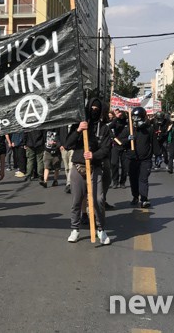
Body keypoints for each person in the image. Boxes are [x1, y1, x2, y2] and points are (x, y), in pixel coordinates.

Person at [64, 98, 112, 245]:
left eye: (97, 108)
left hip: (95, 167)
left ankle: (100, 229)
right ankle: (75, 229)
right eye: (92, 107)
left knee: (98, 199)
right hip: (78, 167)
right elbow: (67, 144)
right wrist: (78, 130)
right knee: (77, 199)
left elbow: (106, 149)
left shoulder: (104, 128)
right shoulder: (79, 125)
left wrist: (94, 155)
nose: (94, 110)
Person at [117, 107, 154, 208]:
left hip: (145, 159)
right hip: (132, 159)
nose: (136, 120)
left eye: (138, 118)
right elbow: (119, 141)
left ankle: (144, 198)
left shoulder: (149, 129)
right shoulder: (129, 129)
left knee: (143, 179)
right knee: (133, 179)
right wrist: (127, 140)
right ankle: (135, 196)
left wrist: (157, 154)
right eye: (134, 117)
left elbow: (153, 142)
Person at [109, 109, 129, 188]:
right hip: (116, 145)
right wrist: (116, 118)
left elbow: (133, 131)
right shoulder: (116, 122)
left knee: (125, 166)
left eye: (122, 114)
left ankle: (122, 182)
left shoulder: (128, 123)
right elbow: (109, 128)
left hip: (125, 146)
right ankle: (115, 181)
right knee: (114, 164)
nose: (121, 116)